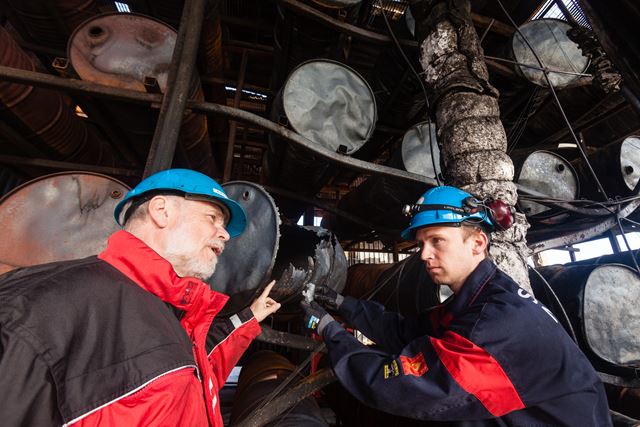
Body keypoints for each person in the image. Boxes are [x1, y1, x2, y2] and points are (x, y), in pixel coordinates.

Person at [301, 185, 612, 426]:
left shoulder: (495, 325)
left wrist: (329, 331)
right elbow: (407, 331)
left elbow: (399, 386)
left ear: (477, 243)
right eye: (421, 243)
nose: (424, 255)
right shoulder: (480, 299)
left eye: (437, 240)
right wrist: (346, 305)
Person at [0, 168, 281, 427]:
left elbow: (196, 375)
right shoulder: (35, 310)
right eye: (213, 218)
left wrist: (249, 318)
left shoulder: (170, 312)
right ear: (161, 211)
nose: (225, 235)